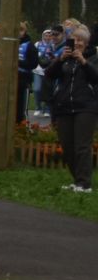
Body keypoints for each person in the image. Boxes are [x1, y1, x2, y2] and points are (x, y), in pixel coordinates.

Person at [44, 21, 96, 193]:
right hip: (64, 106)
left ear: (87, 43)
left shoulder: (92, 57)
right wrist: (60, 60)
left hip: (85, 107)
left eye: (81, 40)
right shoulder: (65, 58)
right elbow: (49, 75)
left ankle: (84, 184)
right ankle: (77, 180)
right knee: (67, 146)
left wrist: (83, 62)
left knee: (82, 146)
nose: (77, 43)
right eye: (74, 40)